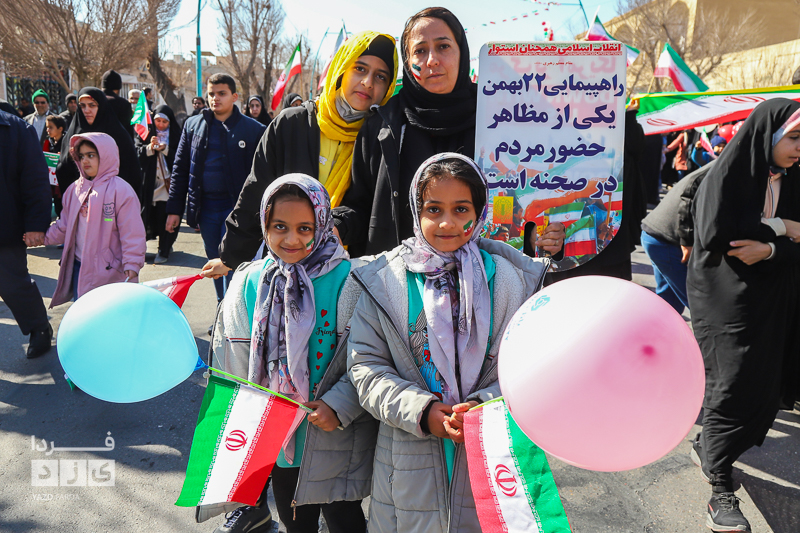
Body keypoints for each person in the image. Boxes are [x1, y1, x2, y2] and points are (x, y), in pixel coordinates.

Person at [347, 153, 554, 533]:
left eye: (461, 209)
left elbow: (532, 367)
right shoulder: (387, 281)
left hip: (494, 454)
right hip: (408, 463)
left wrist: (482, 407)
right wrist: (422, 411)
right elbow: (366, 367)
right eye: (433, 209)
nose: (447, 222)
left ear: (480, 211)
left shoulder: (512, 280)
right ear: (416, 211)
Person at [208, 175, 374, 533]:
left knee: (345, 519)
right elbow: (233, 356)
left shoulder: (350, 280)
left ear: (323, 224)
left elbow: (368, 360)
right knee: (294, 519)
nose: (292, 239)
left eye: (304, 228)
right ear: (264, 224)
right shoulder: (251, 281)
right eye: (279, 227)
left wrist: (338, 405)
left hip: (335, 434)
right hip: (278, 438)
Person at [333, 8, 565, 258]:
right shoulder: (381, 126)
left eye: (443, 46)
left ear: (461, 52)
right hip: (400, 277)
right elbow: (361, 207)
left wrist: (535, 237)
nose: (432, 60)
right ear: (408, 61)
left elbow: (517, 199)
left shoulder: (499, 118)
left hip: (487, 274)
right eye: (420, 51)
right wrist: (336, 226)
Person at [688, 99, 800, 532]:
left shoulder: (792, 178)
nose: (799, 148)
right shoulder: (726, 175)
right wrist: (784, 229)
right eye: (794, 138)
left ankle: (710, 446)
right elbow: (722, 237)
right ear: (766, 136)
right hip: (724, 296)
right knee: (730, 383)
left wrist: (770, 246)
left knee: (765, 386)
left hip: (774, 298)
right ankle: (720, 486)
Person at [206, 32, 398, 278]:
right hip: (284, 264)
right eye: (360, 68)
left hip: (347, 273)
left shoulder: (382, 137)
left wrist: (336, 226)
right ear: (342, 69)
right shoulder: (292, 124)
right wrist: (231, 256)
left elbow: (370, 207)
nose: (368, 82)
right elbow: (257, 191)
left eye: (381, 76)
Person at [165, 73, 266, 302]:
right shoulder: (193, 126)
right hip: (206, 210)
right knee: (214, 262)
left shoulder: (253, 130)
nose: (215, 98)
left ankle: (233, 312)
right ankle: (222, 307)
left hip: (237, 210)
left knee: (231, 262)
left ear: (234, 97)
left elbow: (262, 176)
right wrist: (174, 210)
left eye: (221, 93)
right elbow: (180, 170)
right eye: (211, 94)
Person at [44, 132, 146, 305]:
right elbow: (64, 226)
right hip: (79, 266)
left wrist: (132, 264)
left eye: (91, 155)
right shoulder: (75, 190)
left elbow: (132, 233)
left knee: (109, 314)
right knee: (84, 311)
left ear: (106, 156)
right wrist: (42, 237)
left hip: (110, 270)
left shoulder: (121, 191)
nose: (85, 161)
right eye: (81, 156)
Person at [0, 109, 54, 358]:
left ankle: (39, 328)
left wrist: (35, 224)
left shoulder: (18, 129)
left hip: (5, 226)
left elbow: (35, 180)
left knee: (12, 284)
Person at [640, 164, 713, 313]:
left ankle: (658, 327)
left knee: (669, 306)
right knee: (704, 309)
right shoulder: (725, 167)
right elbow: (690, 191)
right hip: (667, 239)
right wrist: (687, 240)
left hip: (659, 235)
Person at [56, 87, 142, 198]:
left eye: (92, 105)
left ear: (101, 106)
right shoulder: (72, 135)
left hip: (111, 201)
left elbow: (131, 172)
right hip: (79, 201)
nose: (86, 110)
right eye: (82, 106)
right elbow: (63, 170)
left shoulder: (117, 135)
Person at [136, 105, 181, 264]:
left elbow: (181, 156)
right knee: (147, 216)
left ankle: (164, 249)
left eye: (164, 122)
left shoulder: (176, 135)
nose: (160, 125)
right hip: (149, 184)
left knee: (165, 217)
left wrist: (165, 149)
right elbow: (136, 152)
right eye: (158, 121)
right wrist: (149, 148)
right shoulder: (145, 132)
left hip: (167, 185)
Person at [44, 114, 68, 215]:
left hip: (64, 182)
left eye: (51, 127)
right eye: (47, 127)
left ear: (60, 129)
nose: (48, 130)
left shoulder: (67, 142)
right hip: (52, 182)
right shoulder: (48, 142)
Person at [101, 69, 135, 138]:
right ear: (118, 88)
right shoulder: (123, 104)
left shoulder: (93, 101)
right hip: (117, 142)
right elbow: (128, 130)